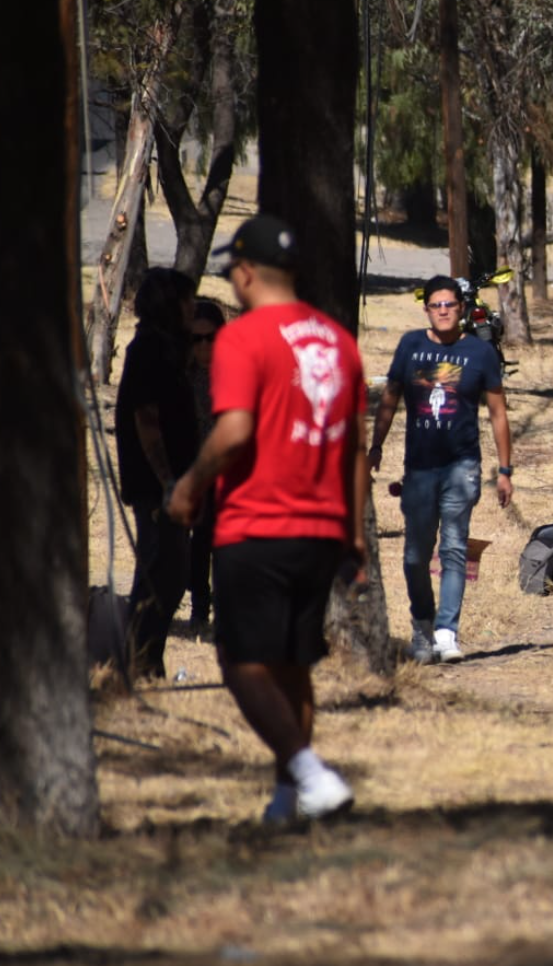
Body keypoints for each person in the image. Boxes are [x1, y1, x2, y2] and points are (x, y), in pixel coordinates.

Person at [167, 214, 366, 822]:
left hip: (257, 523)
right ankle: (289, 800)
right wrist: (354, 534)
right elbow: (355, 448)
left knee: (242, 663)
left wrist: (190, 486)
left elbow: (233, 432)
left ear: (246, 273)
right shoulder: (337, 340)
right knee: (292, 665)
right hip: (323, 527)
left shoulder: (242, 338)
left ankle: (312, 776)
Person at [370, 276, 513, 664]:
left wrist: (505, 469)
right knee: (416, 555)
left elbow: (498, 413)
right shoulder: (410, 346)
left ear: (462, 309)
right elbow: (390, 399)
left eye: (451, 304)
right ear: (427, 310)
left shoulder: (480, 352)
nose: (444, 310)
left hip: (462, 466)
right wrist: (376, 446)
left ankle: (447, 632)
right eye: (437, 305)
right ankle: (422, 627)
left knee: (453, 549)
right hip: (419, 468)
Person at [115, 266, 199, 679]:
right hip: (156, 486)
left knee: (174, 573)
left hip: (174, 484)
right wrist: (167, 481)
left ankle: (148, 663)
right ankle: (135, 667)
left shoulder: (169, 350)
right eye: (186, 301)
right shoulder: (148, 349)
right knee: (157, 574)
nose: (192, 308)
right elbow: (146, 421)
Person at [185, 298, 227, 636]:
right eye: (195, 338)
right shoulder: (181, 374)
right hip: (192, 467)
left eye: (209, 338)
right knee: (198, 542)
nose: (203, 346)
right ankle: (199, 604)